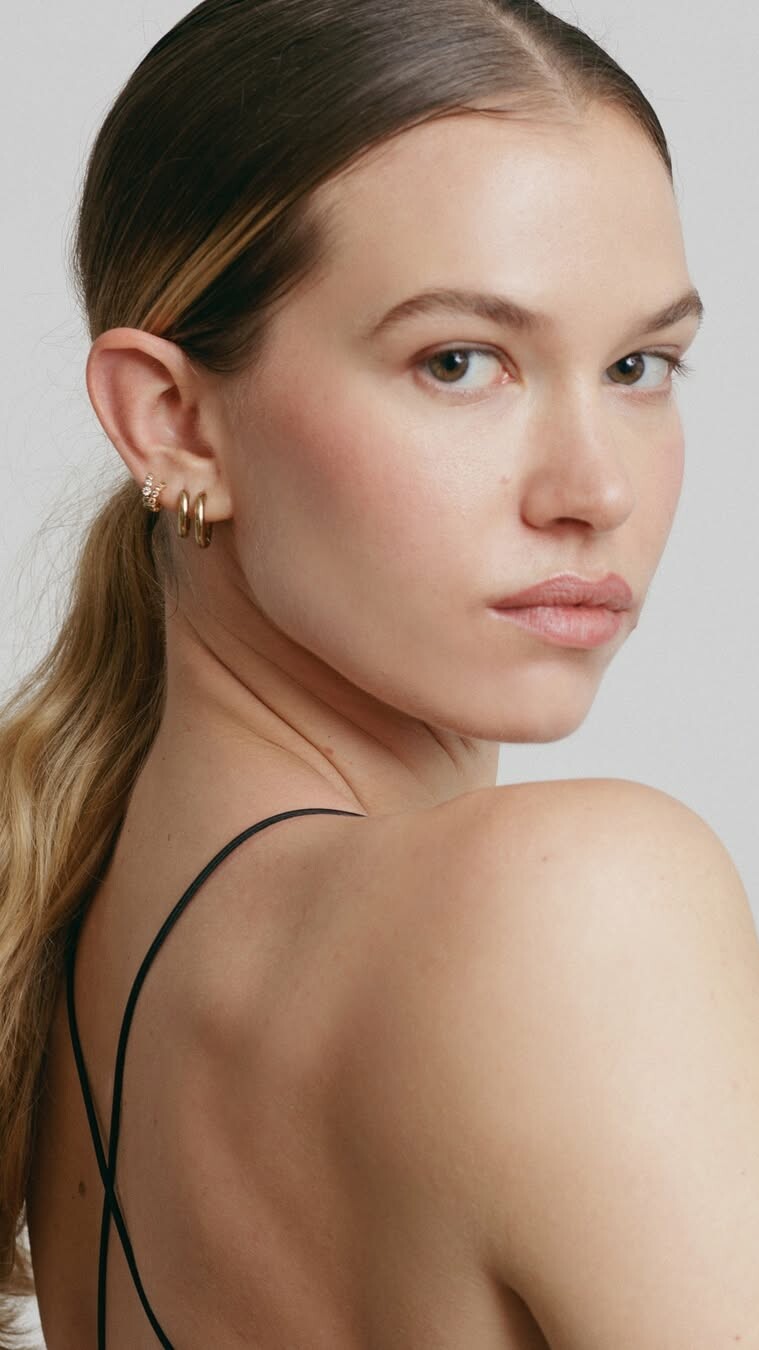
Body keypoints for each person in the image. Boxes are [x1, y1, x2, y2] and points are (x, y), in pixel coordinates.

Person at [1, 0, 757, 1345]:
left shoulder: (77, 980)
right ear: (174, 422)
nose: (595, 489)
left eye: (640, 365)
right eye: (460, 362)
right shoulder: (571, 909)